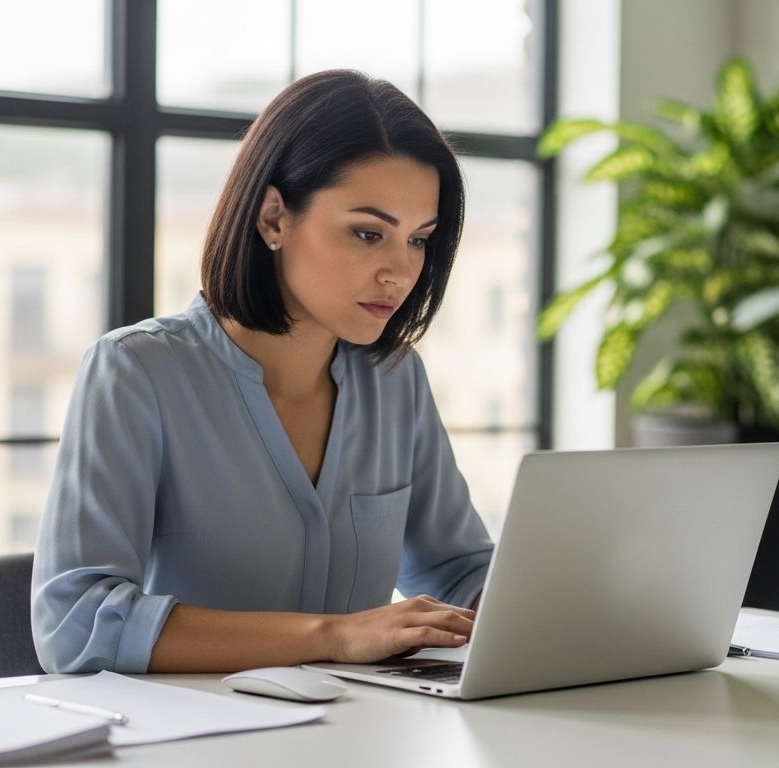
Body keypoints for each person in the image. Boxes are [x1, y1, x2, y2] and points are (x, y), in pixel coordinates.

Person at [31, 70, 492, 674]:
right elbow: (77, 623)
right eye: (367, 233)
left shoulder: (395, 380)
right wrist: (336, 635)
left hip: (360, 736)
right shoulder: (137, 373)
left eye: (419, 240)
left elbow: (457, 571)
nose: (400, 272)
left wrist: (559, 613)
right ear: (274, 217)